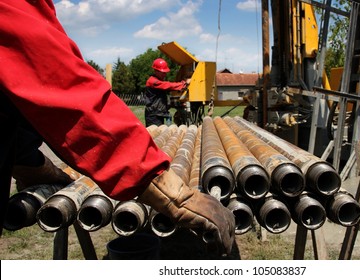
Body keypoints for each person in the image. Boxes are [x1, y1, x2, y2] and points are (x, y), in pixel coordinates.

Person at [0, 0, 234, 255]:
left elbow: (9, 97)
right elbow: (57, 82)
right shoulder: (153, 80)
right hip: (153, 115)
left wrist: (26, 159)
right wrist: (175, 195)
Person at [144, 58, 188, 127]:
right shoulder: (153, 81)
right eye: (163, 72)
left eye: (165, 73)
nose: (165, 75)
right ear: (156, 71)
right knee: (155, 135)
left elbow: (160, 99)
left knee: (160, 133)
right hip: (153, 115)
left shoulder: (157, 81)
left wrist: (176, 104)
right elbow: (167, 85)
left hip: (158, 113)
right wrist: (182, 84)